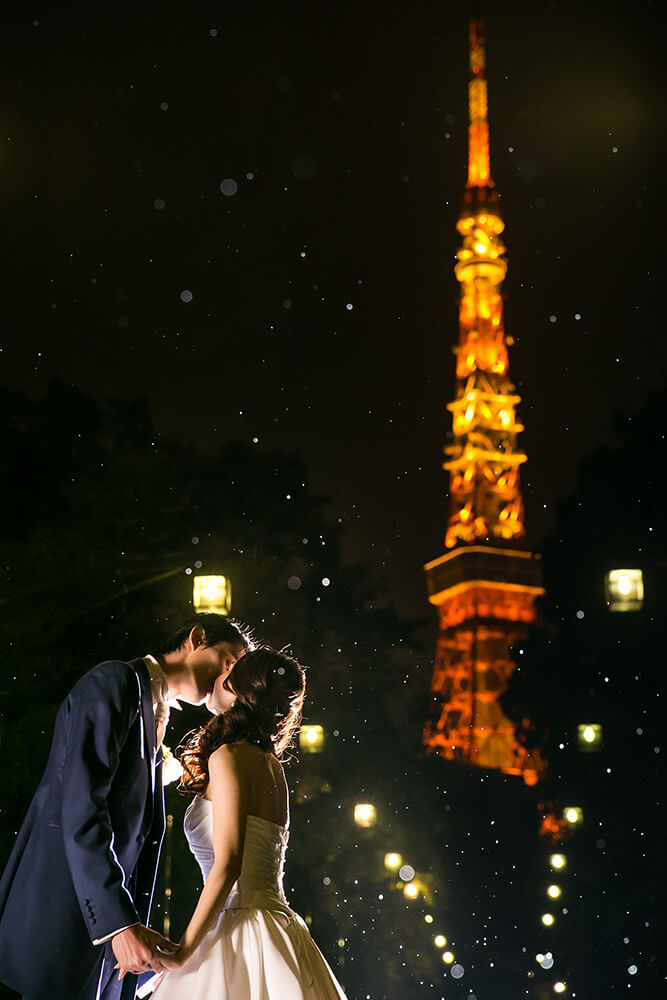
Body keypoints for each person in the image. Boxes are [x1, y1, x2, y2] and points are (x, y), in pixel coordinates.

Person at [0, 613, 251, 1000]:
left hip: (96, 942)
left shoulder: (157, 714)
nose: (230, 678)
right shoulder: (114, 681)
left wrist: (131, 923)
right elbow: (82, 810)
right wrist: (117, 924)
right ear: (197, 638)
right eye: (230, 662)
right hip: (55, 917)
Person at [139, 648, 347, 1000]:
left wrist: (183, 952)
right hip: (279, 927)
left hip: (237, 927)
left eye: (228, 672)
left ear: (238, 691)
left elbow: (229, 864)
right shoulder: (272, 765)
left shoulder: (229, 757)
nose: (218, 675)